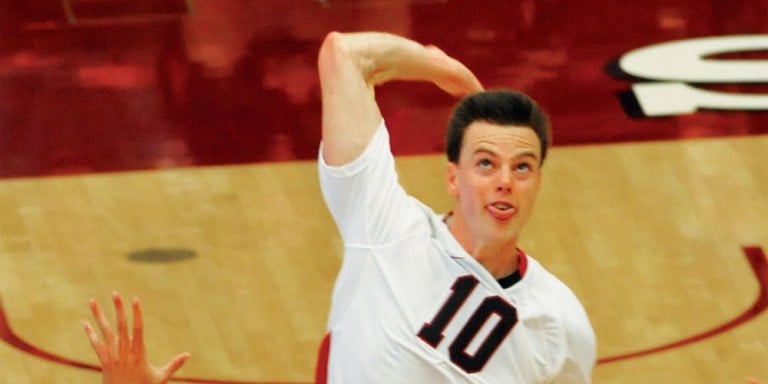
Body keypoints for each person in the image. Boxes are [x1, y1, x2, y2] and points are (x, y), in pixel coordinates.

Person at [83, 31, 597, 383]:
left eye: (523, 168)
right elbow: (344, 55)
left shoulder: (560, 322)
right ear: (452, 178)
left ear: (538, 183)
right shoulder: (385, 224)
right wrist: (434, 64)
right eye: (485, 164)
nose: (504, 182)